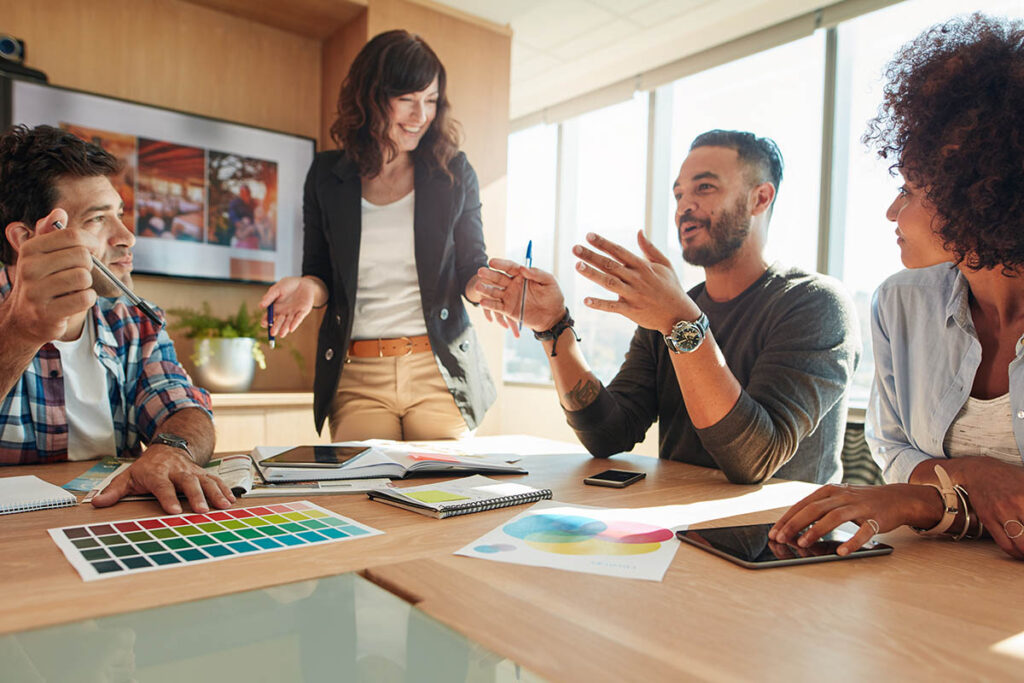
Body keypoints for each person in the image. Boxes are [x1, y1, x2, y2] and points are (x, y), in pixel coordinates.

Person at [770, 14, 1024, 559]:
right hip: (928, 584)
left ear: (981, 189)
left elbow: (916, 484)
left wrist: (922, 500)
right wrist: (974, 477)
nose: (892, 210)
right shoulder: (900, 302)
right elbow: (892, 450)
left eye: (910, 189)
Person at [477, 130, 860, 484]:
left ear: (760, 197)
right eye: (678, 195)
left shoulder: (816, 304)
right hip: (678, 530)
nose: (684, 207)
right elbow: (608, 433)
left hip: (782, 545)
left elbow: (754, 459)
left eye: (705, 188)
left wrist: (680, 321)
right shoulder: (671, 311)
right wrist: (554, 326)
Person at [261, 30, 505, 442]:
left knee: (446, 496)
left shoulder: (453, 173)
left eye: (430, 101)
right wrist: (307, 287)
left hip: (438, 369)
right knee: (361, 497)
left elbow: (470, 267)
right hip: (358, 377)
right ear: (371, 97)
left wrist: (491, 285)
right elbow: (319, 273)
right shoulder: (326, 175)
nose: (420, 115)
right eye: (407, 100)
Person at [0, 124, 234, 515]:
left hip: (109, 521)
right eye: (96, 220)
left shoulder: (133, 319)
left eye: (120, 214)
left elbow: (182, 407)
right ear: (27, 239)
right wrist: (21, 333)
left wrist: (169, 450)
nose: (127, 236)